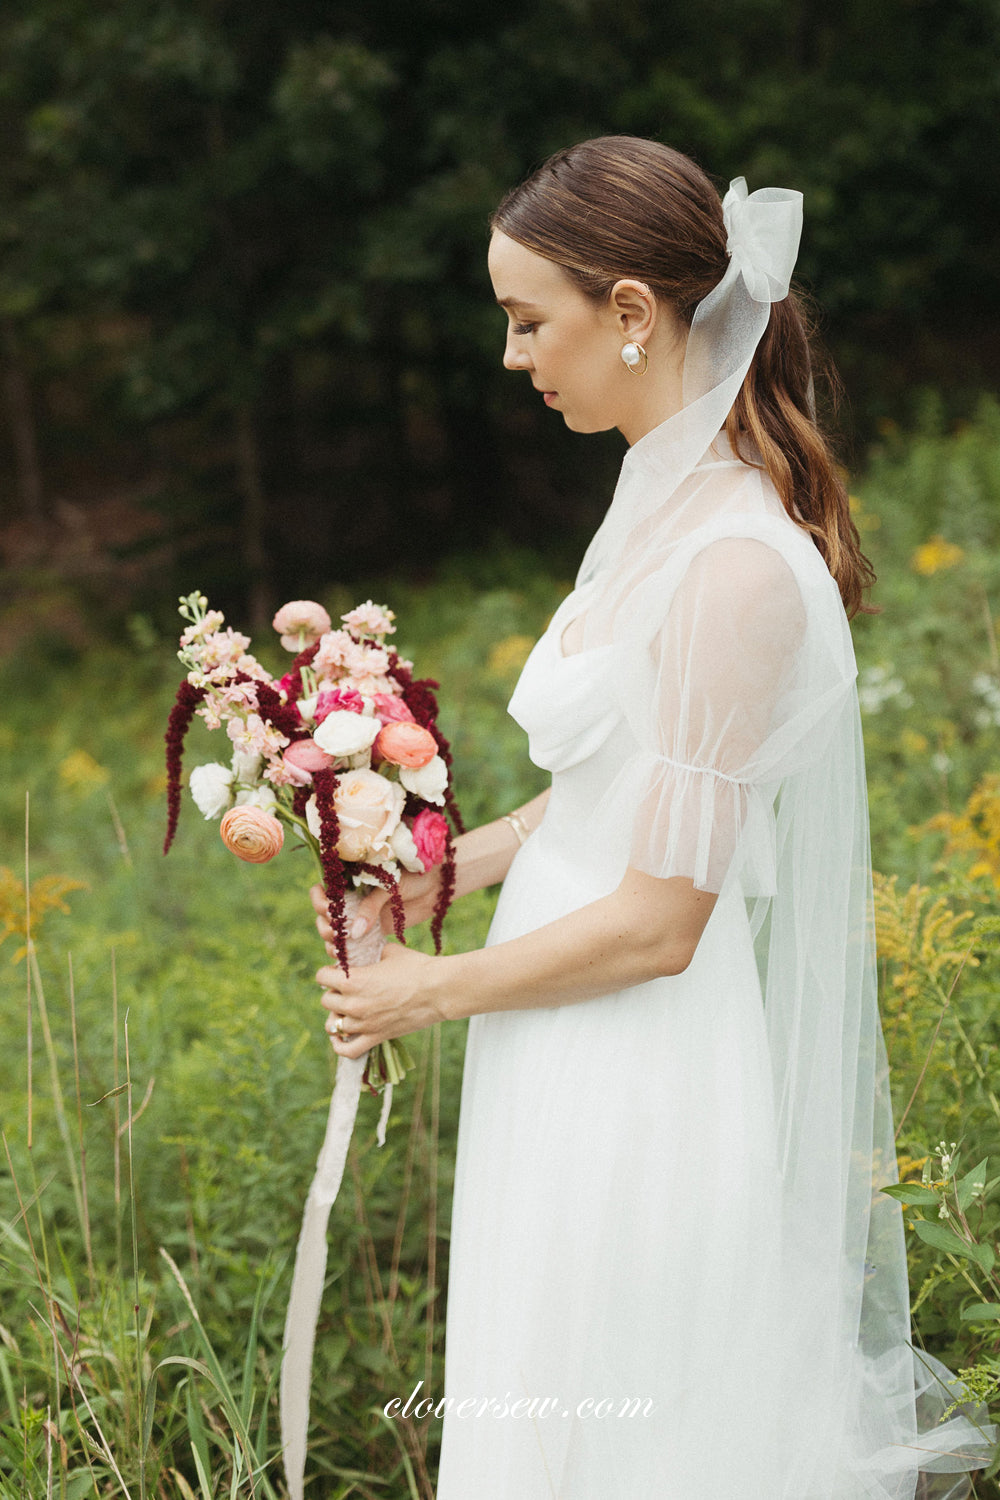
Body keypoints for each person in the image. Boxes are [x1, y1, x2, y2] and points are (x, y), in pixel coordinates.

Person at [311, 137, 991, 1499]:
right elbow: (604, 800)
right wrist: (421, 867)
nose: (513, 357)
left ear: (632, 312)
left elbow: (665, 919)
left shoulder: (735, 565)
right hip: (553, 1031)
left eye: (527, 320)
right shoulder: (648, 506)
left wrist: (434, 993)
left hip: (638, 1053)